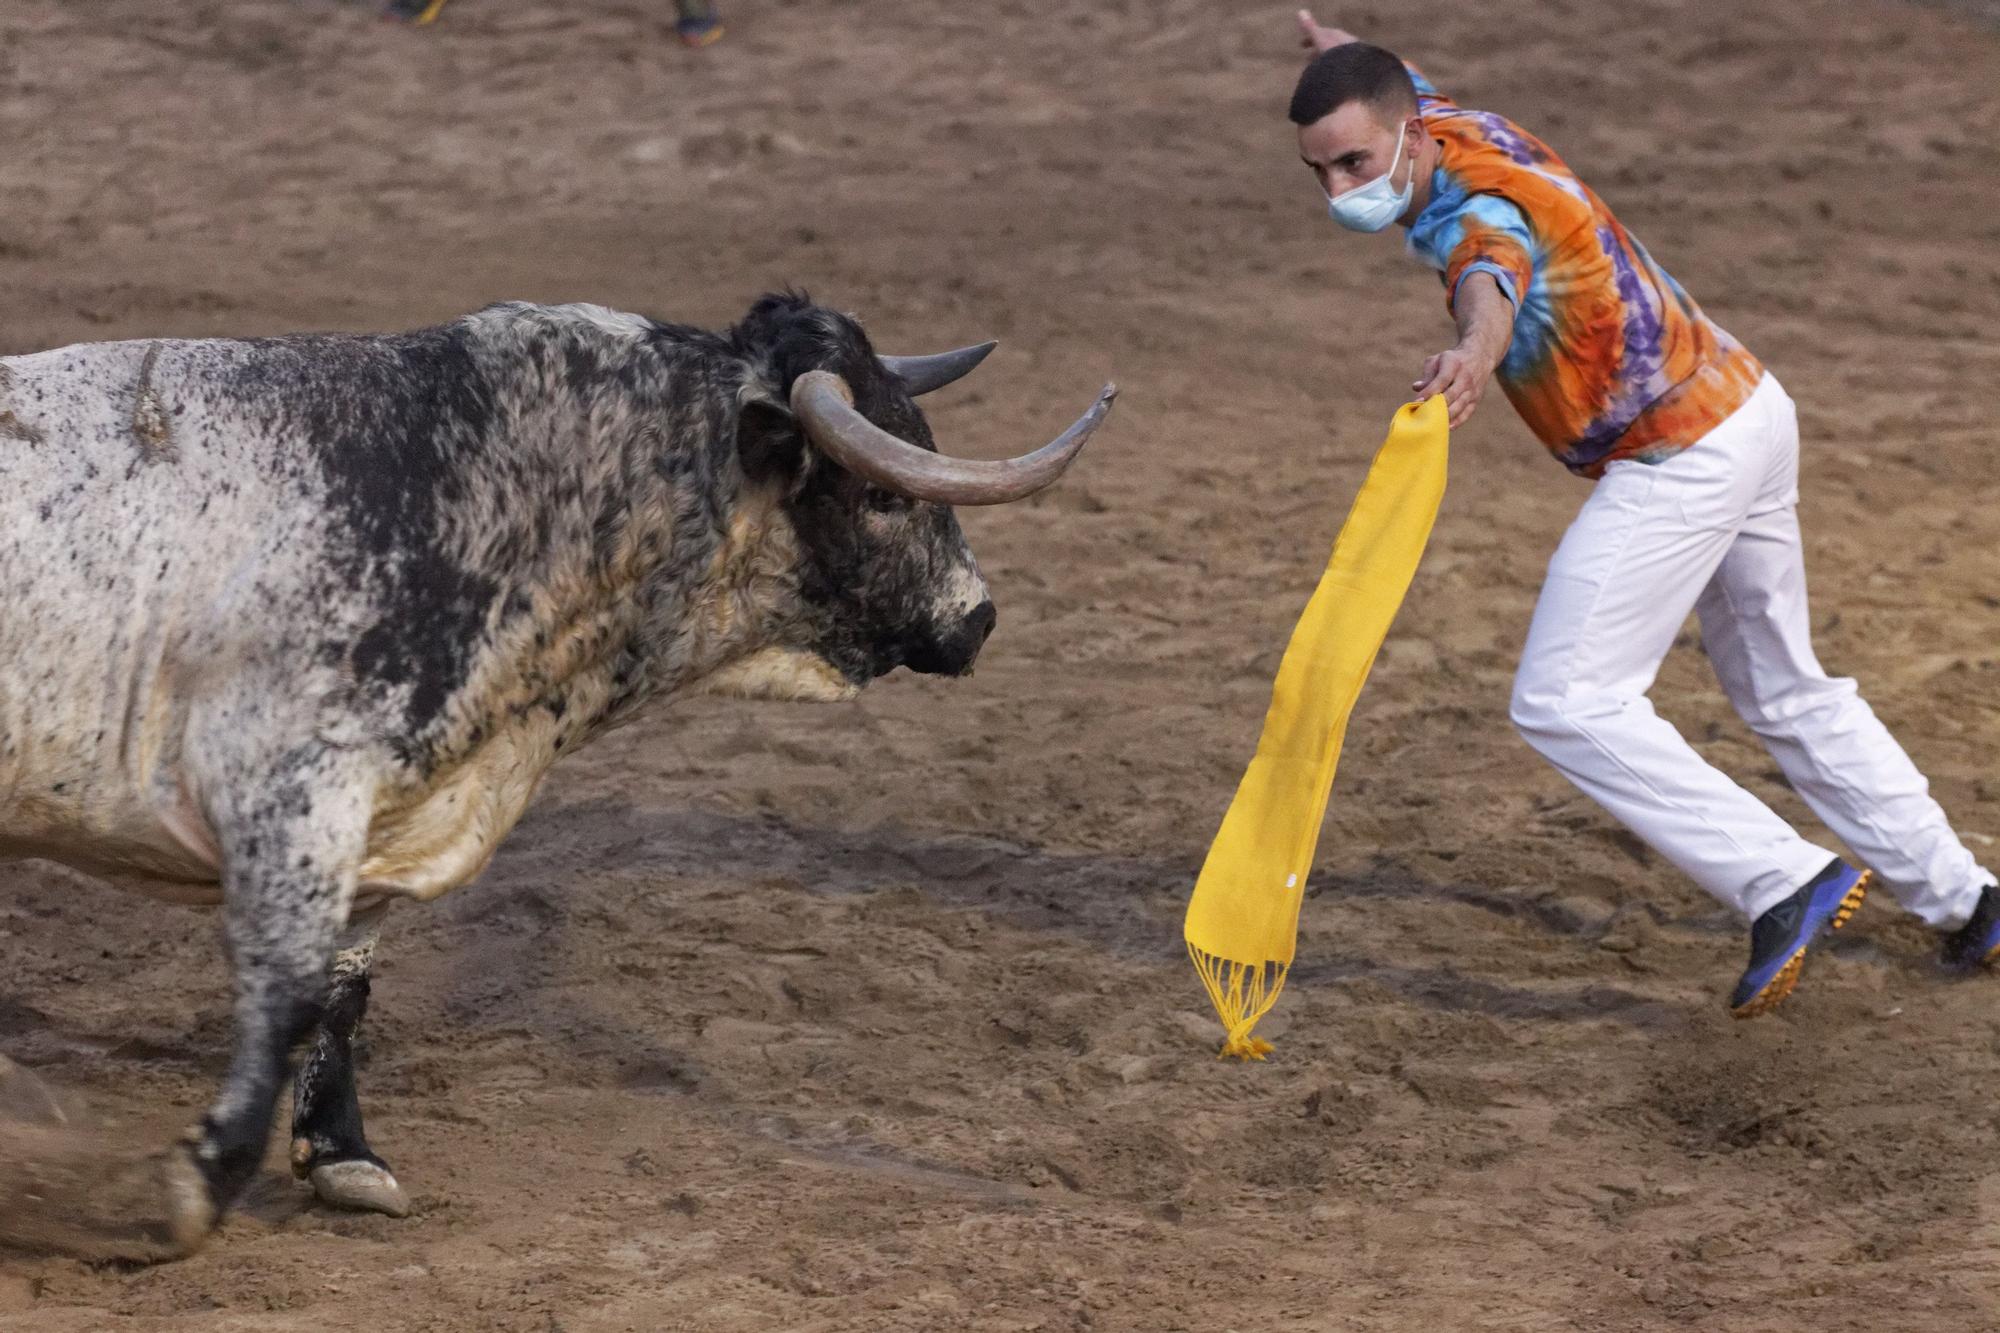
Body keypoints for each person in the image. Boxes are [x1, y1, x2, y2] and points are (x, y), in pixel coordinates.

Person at [1288, 10, 1998, 1015]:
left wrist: (1472, 359)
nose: (1340, 191)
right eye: (1320, 171)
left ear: (1405, 137)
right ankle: (1970, 903)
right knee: (1787, 690)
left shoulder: (1471, 210)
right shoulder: (1448, 120)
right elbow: (1399, 80)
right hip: (1745, 402)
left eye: (1353, 163)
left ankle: (1779, 878)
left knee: (1563, 699)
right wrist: (1338, 49)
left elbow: (1488, 281)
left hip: (1677, 454)